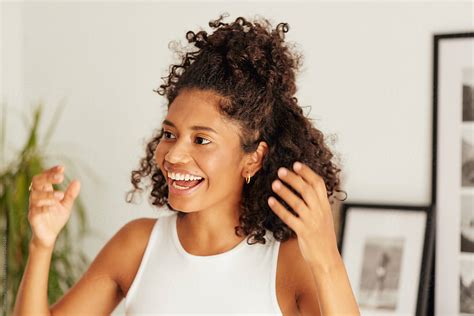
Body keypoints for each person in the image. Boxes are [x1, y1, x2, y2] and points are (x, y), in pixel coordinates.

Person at [13, 14, 360, 315]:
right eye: (169, 133)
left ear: (253, 157)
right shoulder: (136, 246)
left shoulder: (286, 262)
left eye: (201, 140)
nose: (174, 155)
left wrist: (326, 258)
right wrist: (41, 244)